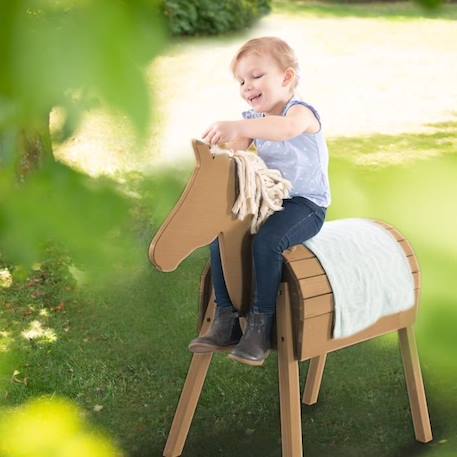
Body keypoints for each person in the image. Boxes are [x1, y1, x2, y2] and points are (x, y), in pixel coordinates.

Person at [188, 36, 331, 367]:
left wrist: (239, 124)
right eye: (240, 80)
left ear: (286, 77)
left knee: (267, 242)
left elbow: (284, 130)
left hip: (306, 205)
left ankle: (260, 327)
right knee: (221, 235)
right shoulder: (253, 119)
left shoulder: (301, 114)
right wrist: (218, 150)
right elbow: (235, 149)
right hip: (273, 201)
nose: (246, 86)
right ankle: (225, 319)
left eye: (255, 76)